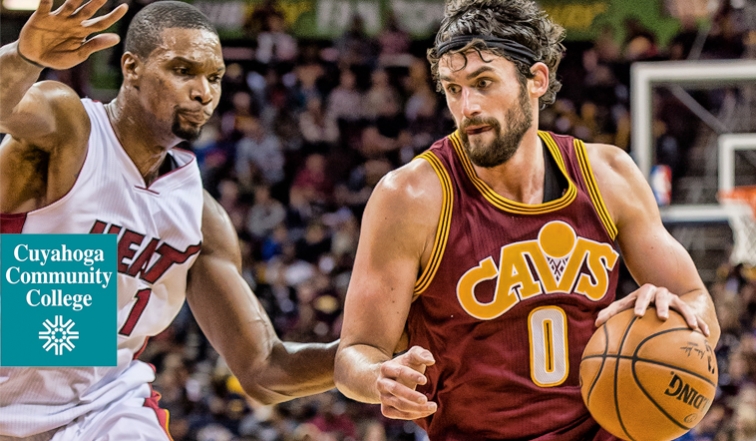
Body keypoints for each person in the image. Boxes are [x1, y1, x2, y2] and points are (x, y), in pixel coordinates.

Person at [333, 0, 721, 439]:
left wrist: (677, 314)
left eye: (483, 82)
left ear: (535, 79)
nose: (468, 106)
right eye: (453, 89)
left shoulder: (607, 175)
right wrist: (379, 376)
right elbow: (355, 353)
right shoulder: (411, 196)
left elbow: (696, 299)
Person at [0, 1, 336, 439]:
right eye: (183, 70)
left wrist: (380, 351)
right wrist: (23, 58)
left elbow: (266, 369)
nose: (204, 92)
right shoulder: (70, 125)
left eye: (213, 77)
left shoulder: (199, 215)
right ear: (131, 67)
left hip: (102, 406)